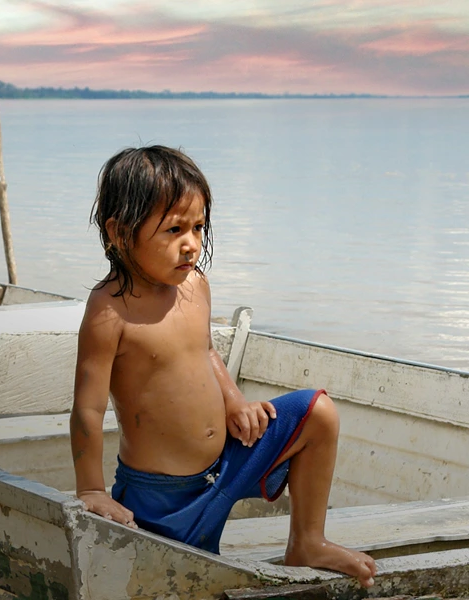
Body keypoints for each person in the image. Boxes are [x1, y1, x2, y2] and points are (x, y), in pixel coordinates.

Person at [69, 145, 377, 588]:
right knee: (181, 586)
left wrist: (234, 401)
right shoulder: (109, 312)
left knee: (320, 414)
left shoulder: (194, 286)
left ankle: (308, 540)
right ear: (119, 233)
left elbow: (204, 352)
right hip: (163, 500)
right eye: (174, 229)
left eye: (198, 227)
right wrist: (92, 490)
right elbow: (88, 410)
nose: (191, 244)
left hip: (230, 463)